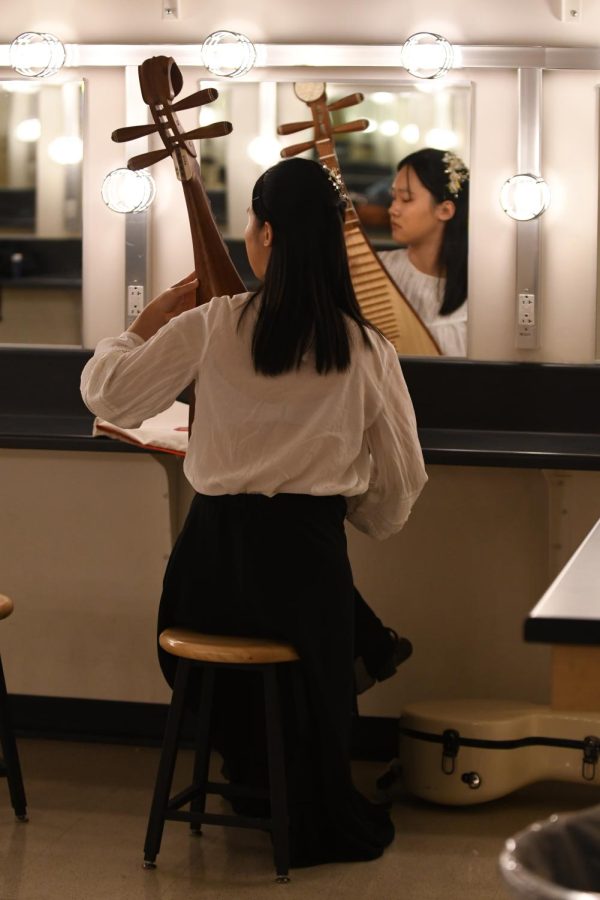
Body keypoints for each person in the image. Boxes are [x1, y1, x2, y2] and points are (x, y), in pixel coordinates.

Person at [80, 157, 427, 868]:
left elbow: (110, 396)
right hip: (305, 571)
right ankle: (314, 778)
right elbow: (398, 488)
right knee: (329, 625)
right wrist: (345, 500)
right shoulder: (365, 348)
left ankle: (248, 778)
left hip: (208, 572)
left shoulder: (213, 324)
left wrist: (145, 320)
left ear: (266, 233)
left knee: (273, 622)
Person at [379, 147, 469, 357]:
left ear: (445, 210)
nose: (393, 209)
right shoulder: (376, 271)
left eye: (406, 199)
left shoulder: (482, 290)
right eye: (394, 198)